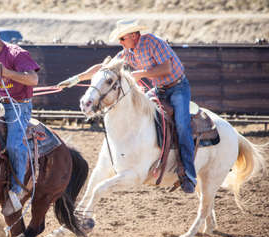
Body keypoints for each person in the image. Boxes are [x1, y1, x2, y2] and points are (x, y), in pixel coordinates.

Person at [58, 19, 196, 193]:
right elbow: (104, 67)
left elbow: (167, 68)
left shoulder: (154, 42)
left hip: (178, 88)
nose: (120, 42)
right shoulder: (128, 51)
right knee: (141, 115)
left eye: (122, 38)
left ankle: (189, 174)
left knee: (183, 126)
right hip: (159, 89)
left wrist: (142, 73)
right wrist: (77, 79)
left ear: (133, 35)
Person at [0, 23, 40, 215]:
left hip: (20, 106)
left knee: (13, 144)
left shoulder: (16, 54)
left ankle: (17, 191)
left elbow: (33, 80)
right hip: (1, 105)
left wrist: (6, 72)